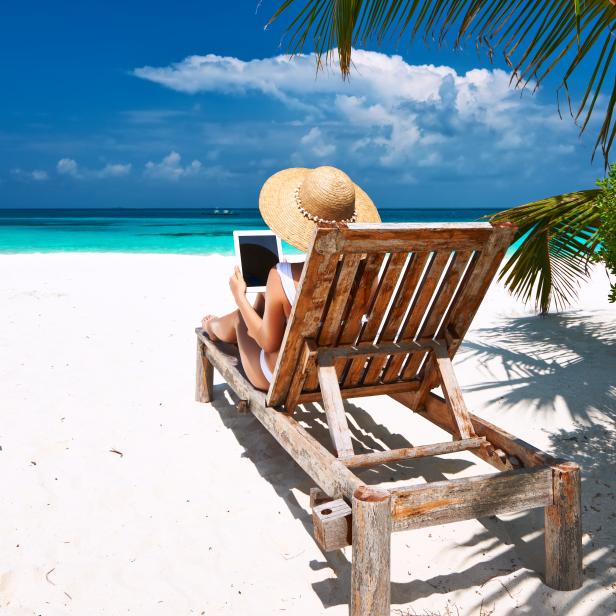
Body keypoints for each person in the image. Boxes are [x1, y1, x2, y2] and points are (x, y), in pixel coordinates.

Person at [202, 165, 381, 391]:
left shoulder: (282, 275)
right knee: (264, 305)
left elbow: (268, 343)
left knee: (240, 318)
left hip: (285, 377)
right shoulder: (368, 274)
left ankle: (211, 327)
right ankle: (215, 324)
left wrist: (240, 297)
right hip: (341, 371)